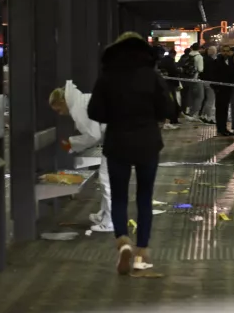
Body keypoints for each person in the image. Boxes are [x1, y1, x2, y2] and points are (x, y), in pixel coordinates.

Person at [88, 32, 172, 274]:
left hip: (118, 142)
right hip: (147, 142)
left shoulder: (107, 77)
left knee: (120, 196)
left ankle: (123, 241)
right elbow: (166, 108)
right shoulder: (152, 76)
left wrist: (114, 115)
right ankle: (142, 251)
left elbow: (95, 112)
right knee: (144, 197)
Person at [49, 82, 112, 232]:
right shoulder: (81, 100)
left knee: (107, 180)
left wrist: (71, 143)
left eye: (58, 109)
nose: (60, 113)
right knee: (107, 178)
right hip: (116, 136)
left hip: (118, 138)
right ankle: (104, 215)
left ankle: (110, 221)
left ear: (62, 101)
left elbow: (92, 135)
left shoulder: (77, 108)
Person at [209, 44, 234, 136]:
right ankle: (221, 128)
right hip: (220, 89)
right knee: (220, 109)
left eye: (227, 51)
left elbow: (233, 73)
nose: (226, 53)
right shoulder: (217, 61)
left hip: (228, 89)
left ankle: (224, 128)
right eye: (224, 51)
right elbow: (212, 75)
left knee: (225, 109)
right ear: (221, 51)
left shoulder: (231, 61)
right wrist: (216, 88)